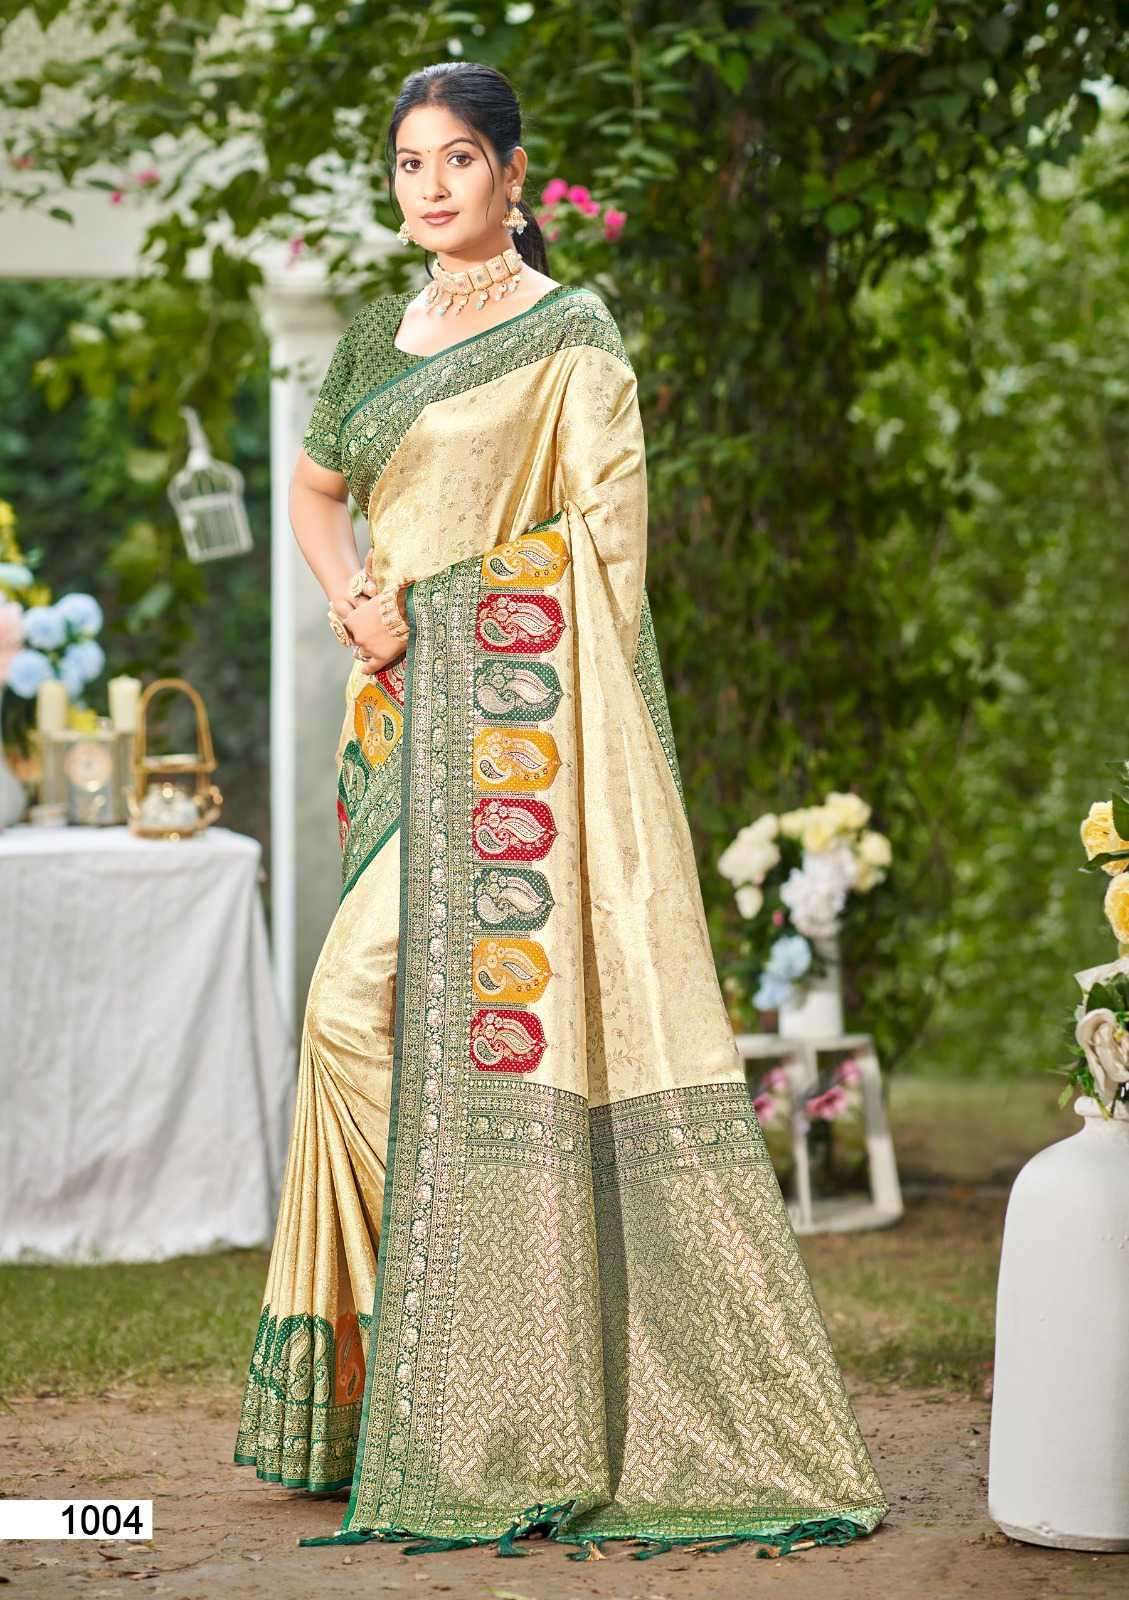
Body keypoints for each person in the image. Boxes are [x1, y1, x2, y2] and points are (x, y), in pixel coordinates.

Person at [234, 59, 888, 1563]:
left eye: (457, 159)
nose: (431, 187)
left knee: (395, 1013)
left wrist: (441, 616)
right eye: (410, 164)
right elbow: (318, 490)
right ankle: (428, 1377)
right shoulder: (376, 336)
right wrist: (352, 600)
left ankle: (499, 1363)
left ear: (513, 173)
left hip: (515, 744)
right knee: (356, 1022)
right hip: (395, 734)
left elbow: (603, 544)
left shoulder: (570, 334)